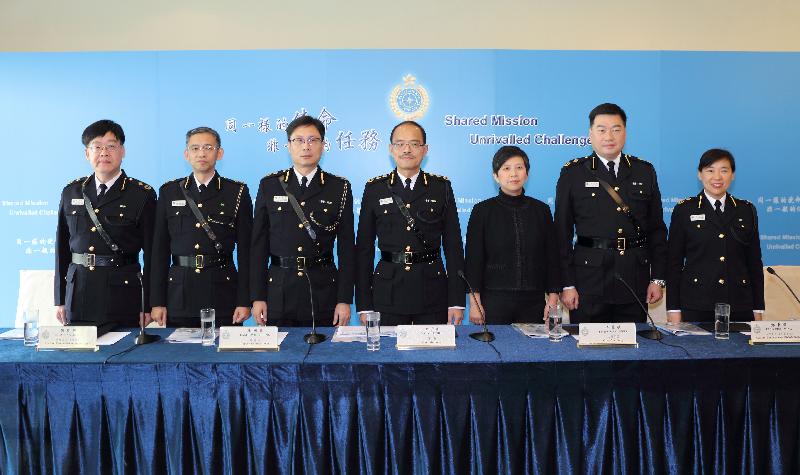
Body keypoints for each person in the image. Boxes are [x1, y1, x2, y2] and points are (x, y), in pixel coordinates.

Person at [555, 103, 667, 323]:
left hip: (634, 279)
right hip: (589, 281)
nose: (609, 136)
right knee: (587, 351)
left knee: (633, 350)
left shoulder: (644, 171)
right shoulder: (573, 173)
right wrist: (567, 284)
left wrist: (658, 279)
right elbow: (562, 233)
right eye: (602, 129)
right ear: (590, 134)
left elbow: (656, 230)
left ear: (625, 132)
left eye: (616, 129)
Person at [356, 120, 465, 326]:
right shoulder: (375, 189)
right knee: (386, 355)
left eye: (414, 144)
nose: (407, 149)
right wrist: (364, 304)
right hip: (388, 291)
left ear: (425, 150)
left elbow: (453, 247)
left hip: (432, 291)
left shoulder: (441, 187)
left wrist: (457, 301)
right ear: (390, 149)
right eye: (400, 144)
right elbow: (364, 250)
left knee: (433, 356)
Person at [250, 116, 354, 327]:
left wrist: (344, 300)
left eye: (313, 140)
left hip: (322, 291)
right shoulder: (269, 185)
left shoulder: (339, 187)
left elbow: (346, 249)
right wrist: (257, 297)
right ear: (288, 146)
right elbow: (258, 246)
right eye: (298, 140)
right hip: (278, 292)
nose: (306, 146)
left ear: (323, 146)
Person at [54, 119, 156, 331]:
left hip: (123, 294)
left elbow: (153, 255)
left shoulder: (141, 194)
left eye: (111, 146)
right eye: (97, 146)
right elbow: (61, 249)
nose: (104, 152)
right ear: (87, 154)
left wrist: (149, 303)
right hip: (79, 292)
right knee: (80, 361)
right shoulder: (71, 191)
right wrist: (60, 298)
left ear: (122, 151)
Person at [150, 127, 253, 328]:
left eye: (208, 147)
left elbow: (246, 252)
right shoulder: (169, 192)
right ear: (186, 154)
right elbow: (159, 252)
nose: (202, 153)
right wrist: (157, 301)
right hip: (179, 293)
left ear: (219, 153)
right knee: (179, 355)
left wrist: (244, 300)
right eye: (195, 148)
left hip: (223, 292)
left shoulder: (236, 192)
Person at [464, 146, 561, 324]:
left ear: (527, 173)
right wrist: (475, 302)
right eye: (506, 168)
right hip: (494, 300)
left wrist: (553, 299)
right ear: (496, 176)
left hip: (534, 302)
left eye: (519, 167)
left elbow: (552, 258)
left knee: (533, 351)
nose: (513, 174)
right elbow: (473, 260)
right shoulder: (482, 211)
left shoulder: (541, 210)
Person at [666, 148, 764, 322]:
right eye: (710, 170)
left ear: (732, 175)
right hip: (697, 303)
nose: (717, 177)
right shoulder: (684, 210)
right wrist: (673, 308)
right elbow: (674, 263)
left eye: (724, 170)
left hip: (739, 304)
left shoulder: (746, 210)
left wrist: (758, 307)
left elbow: (754, 263)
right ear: (700, 174)